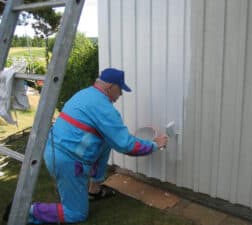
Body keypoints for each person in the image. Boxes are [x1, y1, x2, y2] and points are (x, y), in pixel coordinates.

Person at [3, 68, 168, 224]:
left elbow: (115, 140)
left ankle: (94, 190)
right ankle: (25, 210)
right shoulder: (104, 108)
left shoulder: (85, 94)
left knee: (106, 140)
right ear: (111, 87)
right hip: (68, 164)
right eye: (120, 89)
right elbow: (126, 145)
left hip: (54, 151)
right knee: (76, 213)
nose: (121, 94)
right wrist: (154, 145)